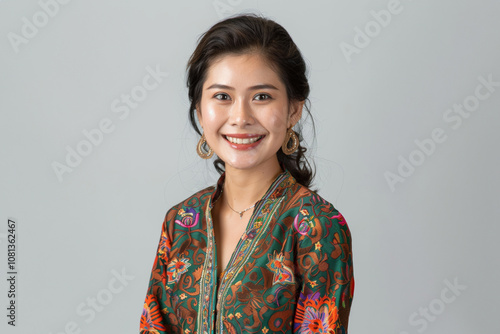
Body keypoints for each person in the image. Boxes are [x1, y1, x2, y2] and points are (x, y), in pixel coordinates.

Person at [139, 13, 354, 334]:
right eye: (222, 97)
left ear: (293, 109)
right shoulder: (181, 222)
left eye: (262, 97)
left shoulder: (316, 227)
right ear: (199, 110)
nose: (240, 117)